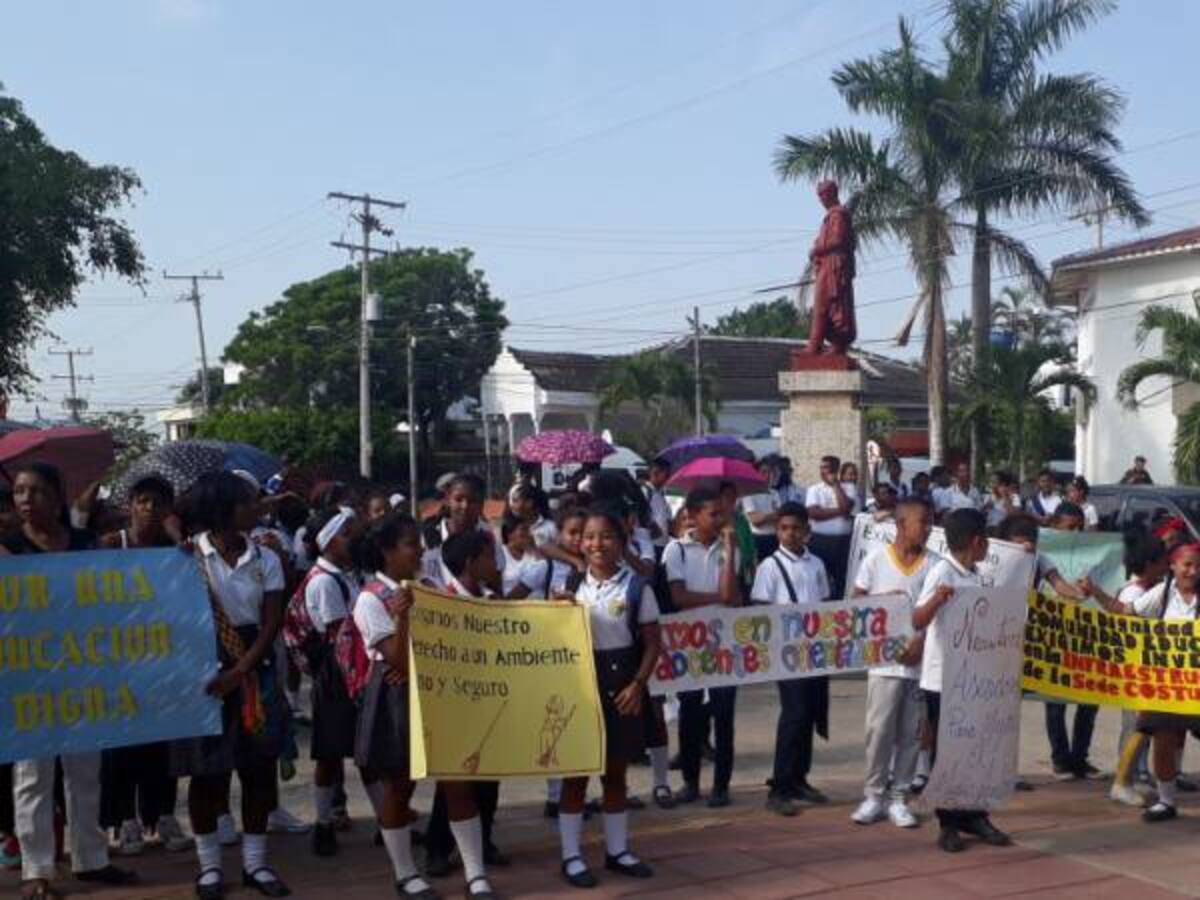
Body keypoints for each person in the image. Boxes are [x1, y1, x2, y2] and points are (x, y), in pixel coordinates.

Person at [6, 464, 139, 899]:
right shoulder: (8, 548)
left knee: (85, 772)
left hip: (81, 677)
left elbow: (113, 593)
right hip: (29, 680)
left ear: (57, 498)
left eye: (37, 491)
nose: (26, 499)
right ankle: (37, 869)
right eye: (20, 491)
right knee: (33, 776)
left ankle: (91, 858)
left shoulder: (82, 545)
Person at [172, 471, 291, 899]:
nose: (256, 508)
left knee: (258, 771)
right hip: (204, 672)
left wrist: (241, 670)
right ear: (223, 509)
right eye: (247, 502)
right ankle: (209, 867)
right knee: (208, 776)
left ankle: (256, 864)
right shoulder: (187, 559)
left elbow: (272, 620)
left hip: (252, 668)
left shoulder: (267, 558)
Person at [556, 507, 659, 889]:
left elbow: (653, 644)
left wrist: (638, 684)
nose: (597, 544)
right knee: (575, 776)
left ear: (622, 543)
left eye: (606, 537)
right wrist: (557, 613)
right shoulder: (571, 584)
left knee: (615, 773)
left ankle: (617, 851)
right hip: (579, 688)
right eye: (589, 537)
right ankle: (571, 856)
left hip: (621, 690)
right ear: (579, 543)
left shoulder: (637, 587)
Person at [98, 477, 193, 857]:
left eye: (158, 502)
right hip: (118, 662)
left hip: (162, 661)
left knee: (161, 745)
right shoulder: (110, 545)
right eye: (143, 501)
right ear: (131, 505)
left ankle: (162, 817)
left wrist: (176, 540)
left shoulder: (178, 550)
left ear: (169, 508)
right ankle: (124, 821)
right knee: (121, 748)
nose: (149, 509)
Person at [914, 508, 1012, 853]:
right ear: (976, 541)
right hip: (943, 678)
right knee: (949, 752)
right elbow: (917, 618)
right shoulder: (942, 572)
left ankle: (975, 814)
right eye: (986, 539)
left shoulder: (978, 575)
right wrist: (939, 599)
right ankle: (948, 823)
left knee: (975, 748)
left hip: (974, 678)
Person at [351, 512, 439, 899]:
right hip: (395, 698)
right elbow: (399, 662)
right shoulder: (372, 599)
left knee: (419, 779)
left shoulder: (426, 585)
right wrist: (404, 619)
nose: (419, 549)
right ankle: (405, 873)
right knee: (399, 786)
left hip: (428, 689)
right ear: (387, 551)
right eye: (409, 543)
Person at [1091, 543, 1200, 822]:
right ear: (1173, 566)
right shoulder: (1161, 594)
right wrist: (1095, 592)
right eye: (1187, 565)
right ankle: (1166, 801)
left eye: (1197, 566)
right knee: (1163, 740)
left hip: (1197, 685)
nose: (1193, 571)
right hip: (1166, 685)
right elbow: (1125, 612)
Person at [423, 532, 506, 883]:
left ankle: (482, 840)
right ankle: (437, 848)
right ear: (472, 562)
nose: (496, 563)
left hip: (490, 701)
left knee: (490, 780)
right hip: (455, 704)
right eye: (490, 556)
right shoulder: (442, 602)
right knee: (454, 785)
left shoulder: (492, 599)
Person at [851, 498, 935, 829]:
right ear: (901, 525)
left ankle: (900, 798)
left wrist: (920, 643)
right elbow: (858, 606)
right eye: (922, 522)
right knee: (879, 730)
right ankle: (874, 795)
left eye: (930, 522)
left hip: (920, 664)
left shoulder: (935, 565)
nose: (928, 529)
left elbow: (940, 615)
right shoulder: (874, 560)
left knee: (911, 733)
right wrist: (891, 642)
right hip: (884, 664)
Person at [999, 509, 1099, 780]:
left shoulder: (1040, 560)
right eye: (1020, 542)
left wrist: (1081, 594)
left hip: (1029, 640)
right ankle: (1000, 767)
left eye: (1030, 541)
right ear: (1006, 541)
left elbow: (1060, 585)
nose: (1026, 547)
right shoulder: (993, 560)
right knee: (1000, 707)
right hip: (997, 641)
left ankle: (1013, 768)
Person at [751, 504, 832, 816]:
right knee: (793, 714)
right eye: (783, 528)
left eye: (796, 528)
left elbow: (825, 605)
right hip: (787, 652)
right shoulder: (769, 567)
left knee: (811, 712)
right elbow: (760, 608)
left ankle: (799, 777)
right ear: (777, 531)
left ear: (806, 531)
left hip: (815, 651)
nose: (789, 533)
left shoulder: (817, 564)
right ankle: (779, 785)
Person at [1079, 530, 1169, 806]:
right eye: (1164, 560)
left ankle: (1131, 778)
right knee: (1135, 727)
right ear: (1151, 563)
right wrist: (1095, 591)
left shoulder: (1148, 588)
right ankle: (1123, 782)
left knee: (1140, 727)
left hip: (1145, 670)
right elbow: (1120, 611)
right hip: (1137, 670)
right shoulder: (1138, 592)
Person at [664, 487, 741, 807]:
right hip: (690, 643)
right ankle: (691, 782)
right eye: (714, 514)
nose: (720, 519)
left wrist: (730, 548)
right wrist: (716, 599)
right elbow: (679, 597)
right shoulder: (676, 550)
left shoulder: (728, 549)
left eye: (722, 513)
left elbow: (731, 591)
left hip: (722, 642)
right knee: (690, 713)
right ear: (693, 516)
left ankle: (721, 785)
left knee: (724, 715)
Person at [297, 507, 366, 857]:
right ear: (328, 540)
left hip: (347, 670)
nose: (353, 540)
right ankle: (322, 823)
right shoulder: (325, 581)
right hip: (338, 674)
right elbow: (341, 636)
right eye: (347, 534)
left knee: (364, 752)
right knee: (329, 754)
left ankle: (388, 819)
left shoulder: (345, 574)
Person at [422, 474, 503, 594]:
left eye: (473, 501)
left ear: (481, 504)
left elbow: (496, 582)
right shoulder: (429, 536)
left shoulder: (489, 538)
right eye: (458, 499)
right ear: (448, 500)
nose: (465, 506)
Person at [805, 455, 854, 599]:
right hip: (820, 542)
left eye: (826, 467)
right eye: (821, 467)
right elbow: (814, 514)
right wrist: (841, 511)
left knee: (841, 580)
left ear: (836, 469)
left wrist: (836, 486)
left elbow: (847, 507)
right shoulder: (814, 489)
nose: (823, 471)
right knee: (819, 579)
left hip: (842, 542)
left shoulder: (848, 487)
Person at [507, 482, 557, 550]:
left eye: (516, 500)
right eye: (514, 501)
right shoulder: (509, 527)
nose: (513, 505)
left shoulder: (551, 527)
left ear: (530, 502)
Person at [499, 515, 539, 596]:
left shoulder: (533, 553)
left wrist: (535, 550)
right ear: (509, 534)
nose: (528, 534)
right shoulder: (499, 553)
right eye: (523, 529)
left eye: (528, 530)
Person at [642, 458, 673, 556]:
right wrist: (655, 530)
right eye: (666, 475)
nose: (668, 478)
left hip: (662, 544)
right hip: (652, 544)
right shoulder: (645, 491)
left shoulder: (660, 493)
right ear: (655, 472)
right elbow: (641, 514)